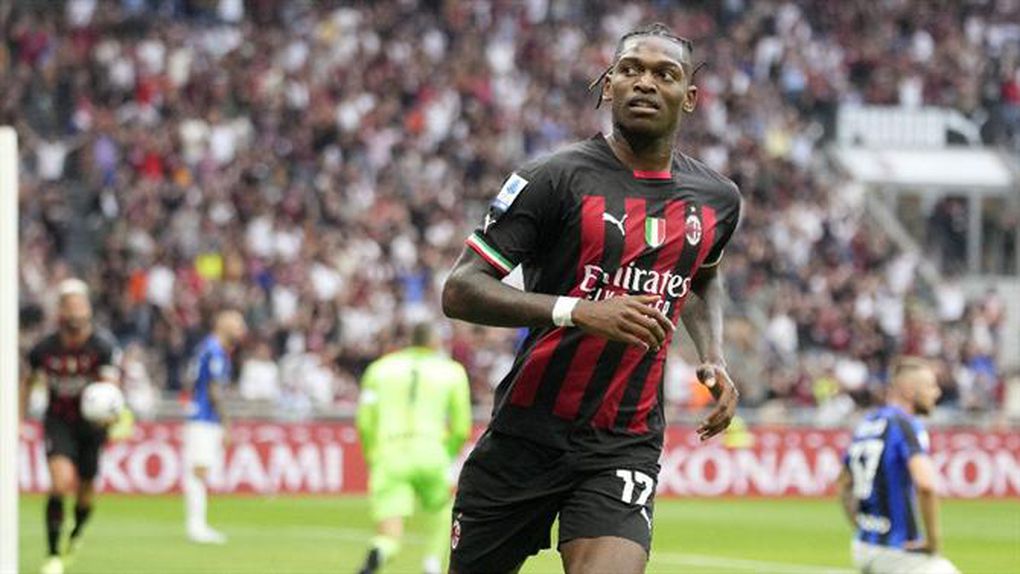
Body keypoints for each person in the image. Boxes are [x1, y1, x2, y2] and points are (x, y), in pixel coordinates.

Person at [441, 23, 742, 574]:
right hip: (525, 436)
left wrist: (713, 356)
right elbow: (461, 289)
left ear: (690, 97)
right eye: (630, 70)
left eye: (665, 74)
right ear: (608, 85)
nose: (645, 82)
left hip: (623, 441)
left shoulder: (717, 199)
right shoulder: (552, 178)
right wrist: (577, 311)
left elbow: (703, 275)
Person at [20, 279, 122, 574]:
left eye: (81, 306)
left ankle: (76, 533)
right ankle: (53, 554)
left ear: (88, 310)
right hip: (59, 421)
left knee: (86, 491)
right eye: (71, 307)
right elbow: (27, 383)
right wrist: (18, 418)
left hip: (92, 425)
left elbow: (111, 387)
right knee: (60, 482)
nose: (77, 313)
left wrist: (111, 412)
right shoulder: (43, 349)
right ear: (61, 311)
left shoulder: (102, 347)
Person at [355, 323, 472, 574]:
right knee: (443, 509)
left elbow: (364, 421)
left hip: (390, 452)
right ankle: (432, 562)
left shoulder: (379, 369)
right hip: (431, 451)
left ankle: (382, 549)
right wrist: (447, 454)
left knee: (389, 531)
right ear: (435, 342)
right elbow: (461, 427)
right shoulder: (452, 372)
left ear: (410, 340)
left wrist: (372, 454)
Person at [836, 358, 961, 574]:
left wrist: (863, 525)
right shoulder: (905, 425)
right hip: (898, 551)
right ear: (910, 391)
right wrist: (933, 542)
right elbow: (926, 486)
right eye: (930, 386)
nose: (937, 393)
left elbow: (844, 484)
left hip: (863, 546)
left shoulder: (867, 423)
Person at [182, 310, 247, 544]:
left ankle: (198, 524)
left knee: (200, 471)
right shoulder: (214, 350)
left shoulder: (207, 349)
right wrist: (227, 423)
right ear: (223, 325)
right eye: (238, 325)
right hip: (204, 418)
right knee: (199, 472)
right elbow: (214, 391)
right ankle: (196, 526)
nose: (242, 331)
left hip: (201, 416)